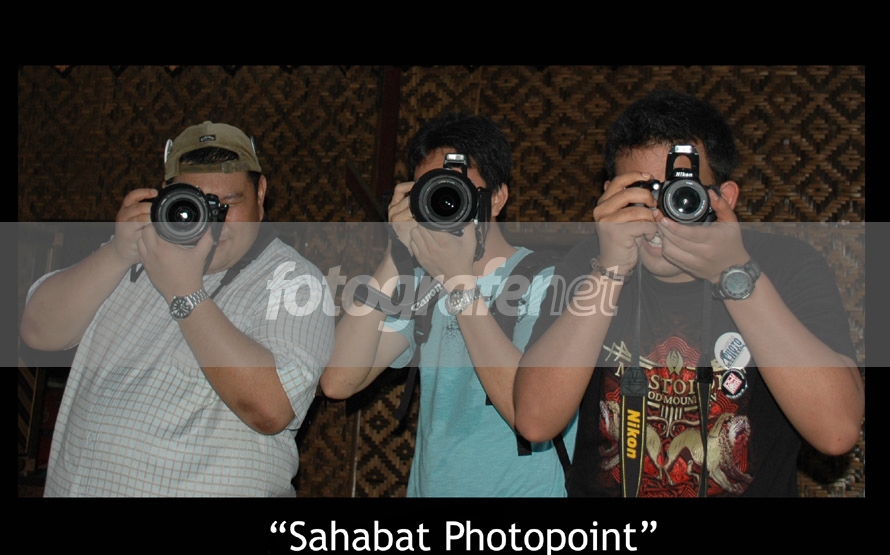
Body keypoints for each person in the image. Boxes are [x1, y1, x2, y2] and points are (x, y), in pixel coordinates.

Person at [514, 90, 864, 497]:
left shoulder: (786, 266)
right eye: (641, 192)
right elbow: (536, 421)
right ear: (609, 197)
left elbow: (836, 431)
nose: (660, 214)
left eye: (681, 193)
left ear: (725, 198)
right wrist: (609, 270)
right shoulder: (588, 264)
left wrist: (735, 276)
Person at [20, 121, 335, 497]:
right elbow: (38, 332)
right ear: (166, 196)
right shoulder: (135, 254)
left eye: (229, 202)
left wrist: (184, 291)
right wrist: (117, 253)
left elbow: (271, 409)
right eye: (196, 203)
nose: (214, 221)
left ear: (261, 194)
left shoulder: (294, 280)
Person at [320, 111, 574, 497]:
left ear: (497, 198)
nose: (445, 203)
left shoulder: (550, 281)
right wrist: (396, 254)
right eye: (433, 192)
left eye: (457, 191)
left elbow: (529, 412)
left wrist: (458, 279)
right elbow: (338, 381)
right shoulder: (424, 284)